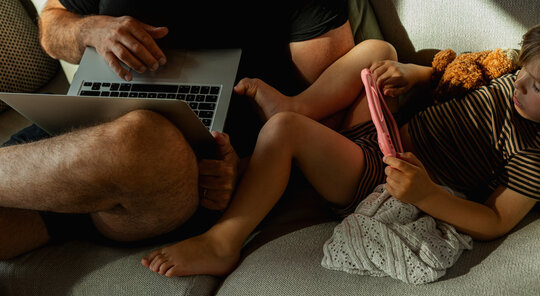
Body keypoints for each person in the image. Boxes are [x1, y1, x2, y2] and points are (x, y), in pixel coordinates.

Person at [0, 0, 357, 259]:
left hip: (183, 174)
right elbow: (51, 25)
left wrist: (246, 170)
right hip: (66, 154)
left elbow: (328, 109)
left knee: (142, 138)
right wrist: (88, 30)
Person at [141, 25, 539, 278]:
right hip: (385, 132)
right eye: (524, 69)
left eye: (536, 86)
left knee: (284, 131)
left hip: (386, 176)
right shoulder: (512, 73)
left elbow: (496, 220)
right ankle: (299, 105)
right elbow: (449, 74)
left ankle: (223, 241)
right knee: (376, 52)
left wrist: (426, 195)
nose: (519, 83)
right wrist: (410, 75)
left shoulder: (535, 154)